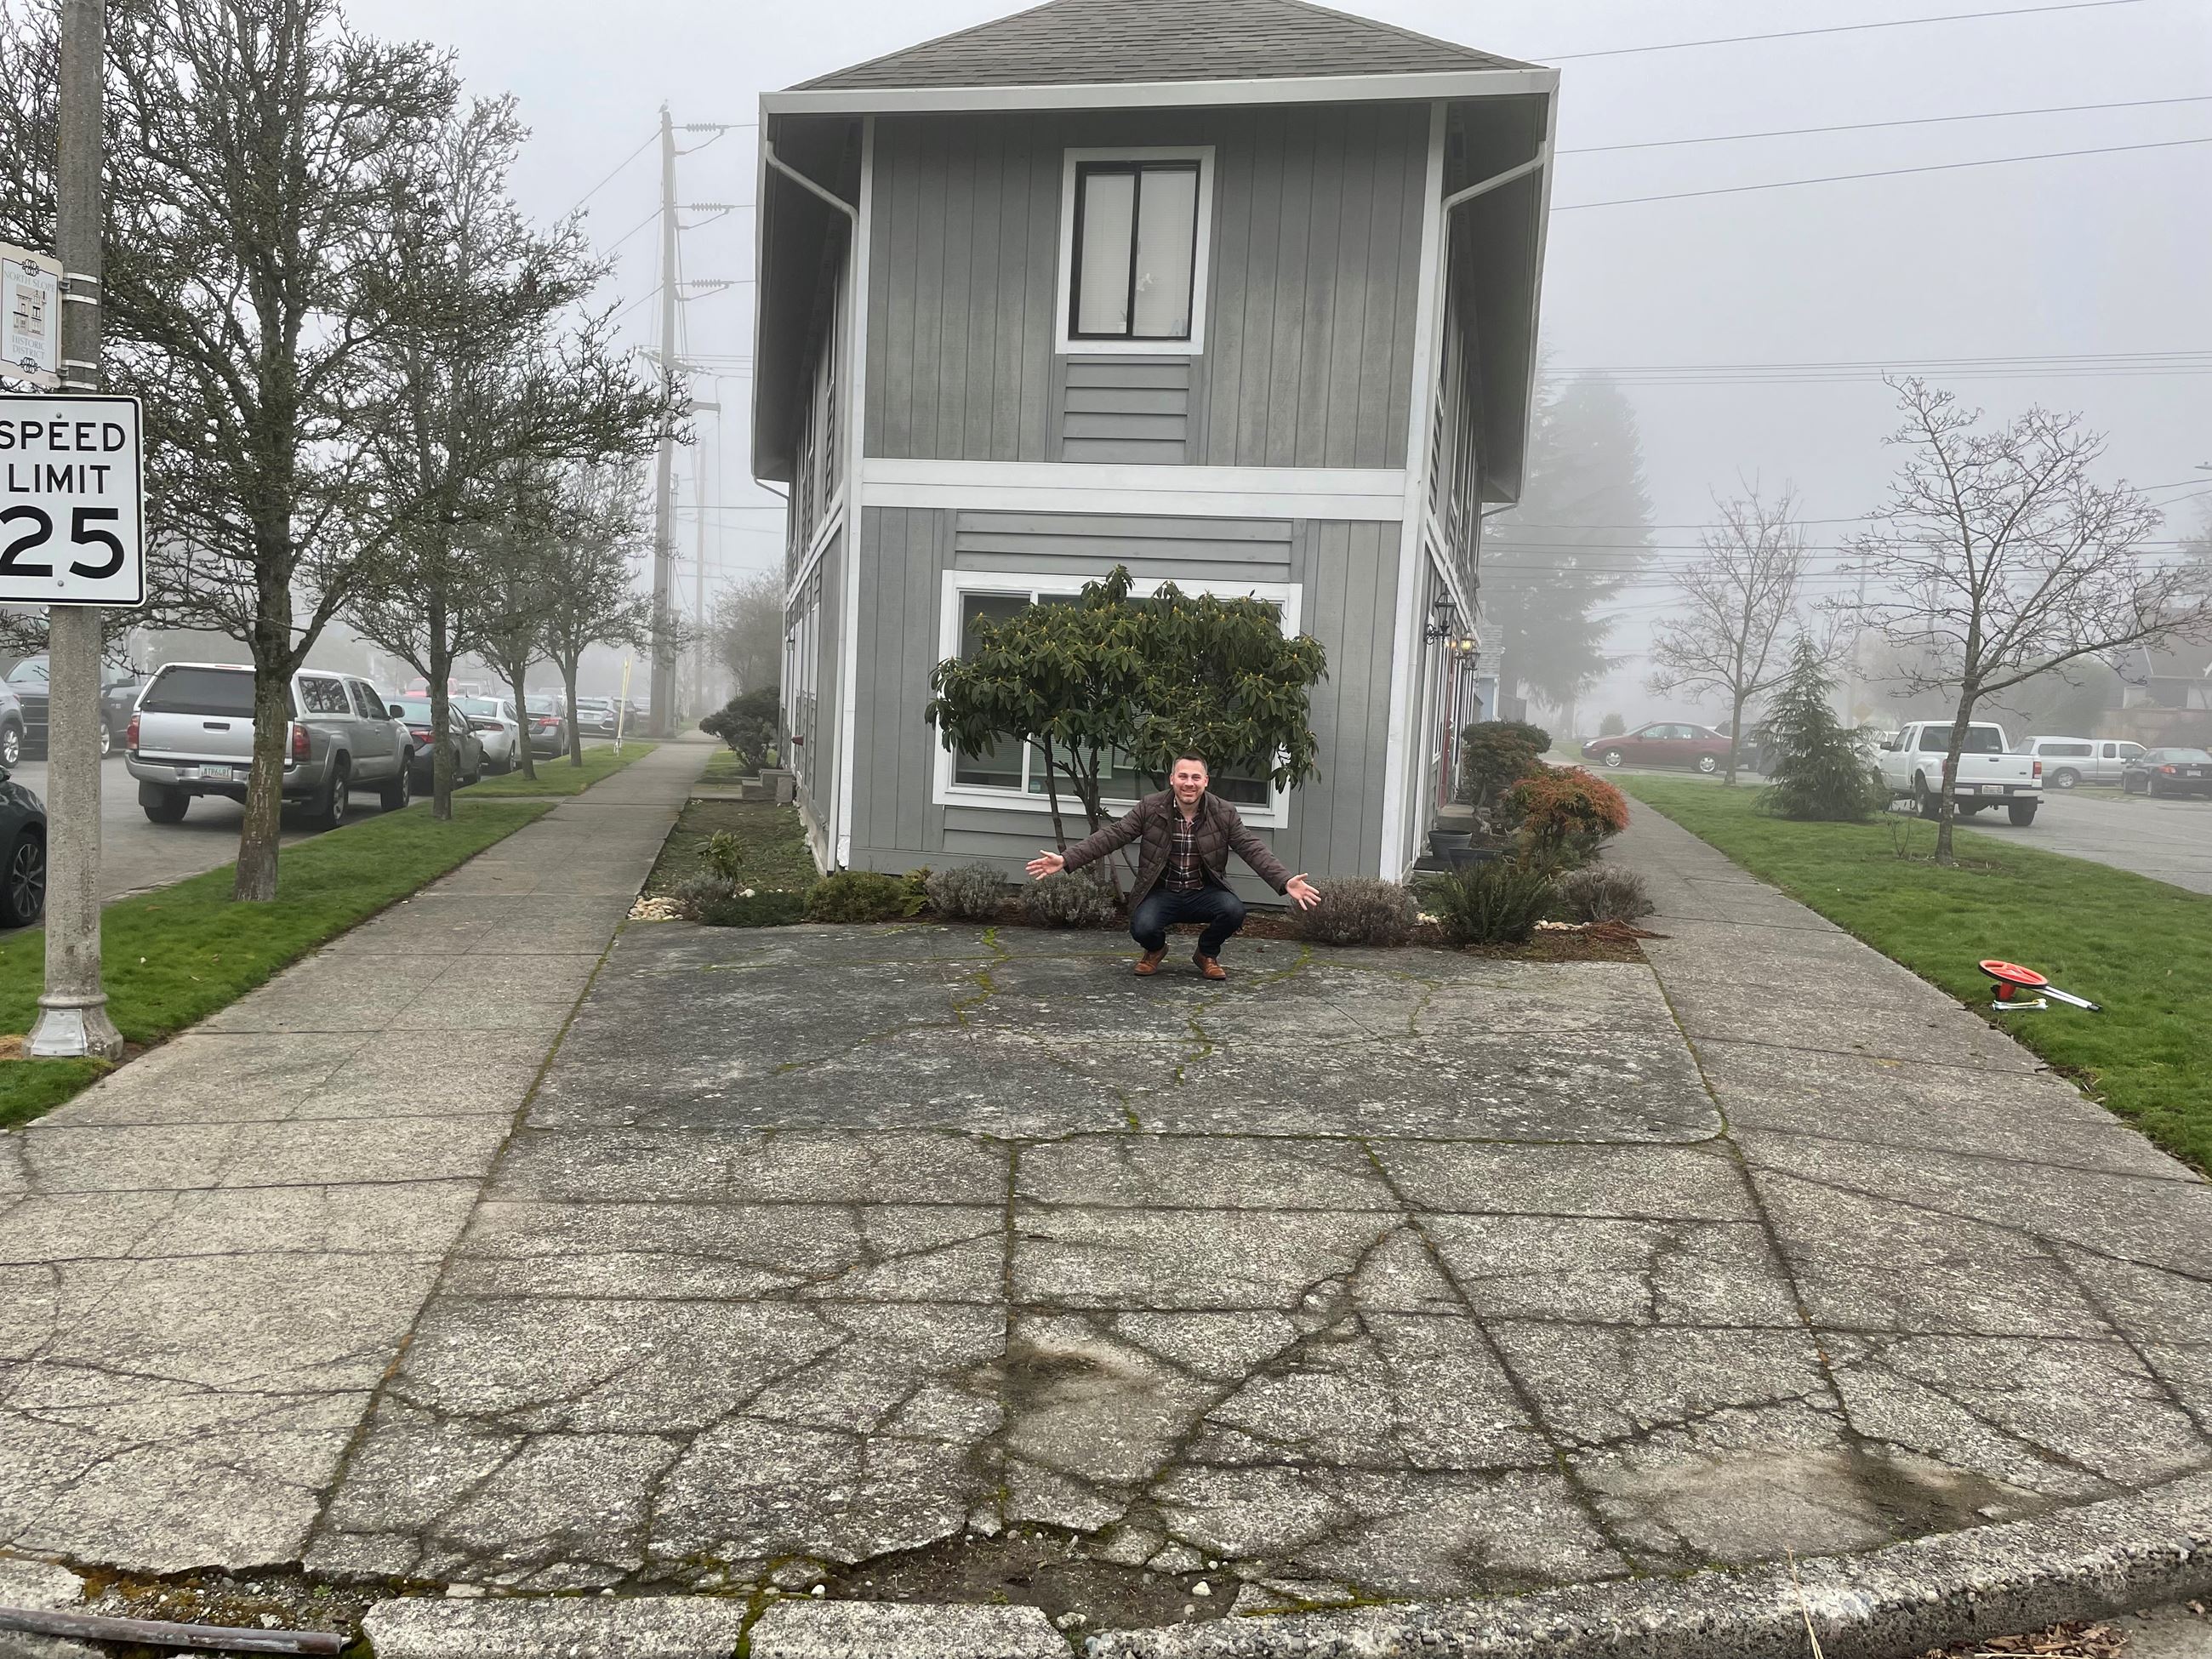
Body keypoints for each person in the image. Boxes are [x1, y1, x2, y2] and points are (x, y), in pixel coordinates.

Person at [1025, 753, 1320, 979]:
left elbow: (1250, 847)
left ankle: (1206, 954)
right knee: (1142, 926)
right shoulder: (1150, 808)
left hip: (1203, 892)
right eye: (1183, 776)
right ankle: (1155, 949)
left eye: (1195, 777)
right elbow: (1113, 835)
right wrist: (1067, 859)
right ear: (1172, 779)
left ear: (1205, 781)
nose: (1188, 783)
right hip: (1161, 892)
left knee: (1234, 911)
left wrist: (1284, 881)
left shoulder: (1223, 812)